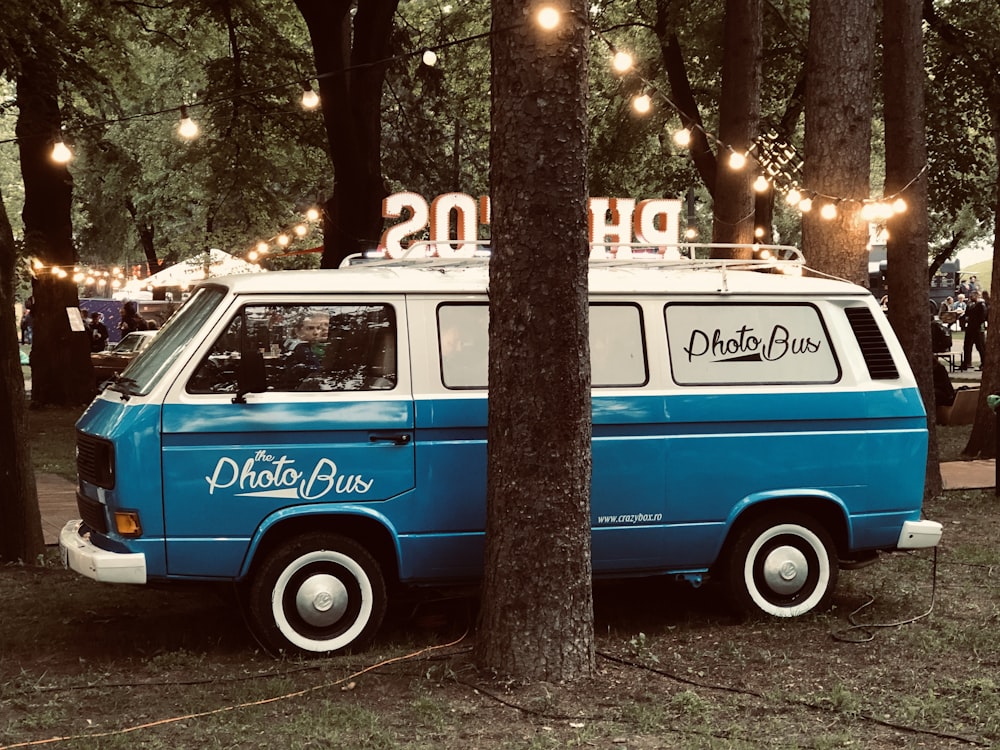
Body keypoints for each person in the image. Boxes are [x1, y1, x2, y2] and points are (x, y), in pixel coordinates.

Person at [961, 289, 987, 370]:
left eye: (972, 296)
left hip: (977, 329)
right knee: (967, 346)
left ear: (976, 296)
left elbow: (982, 317)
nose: (970, 297)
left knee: (980, 346)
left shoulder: (981, 305)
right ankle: (967, 362)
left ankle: (984, 363)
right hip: (970, 328)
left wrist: (976, 324)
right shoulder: (970, 305)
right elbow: (967, 314)